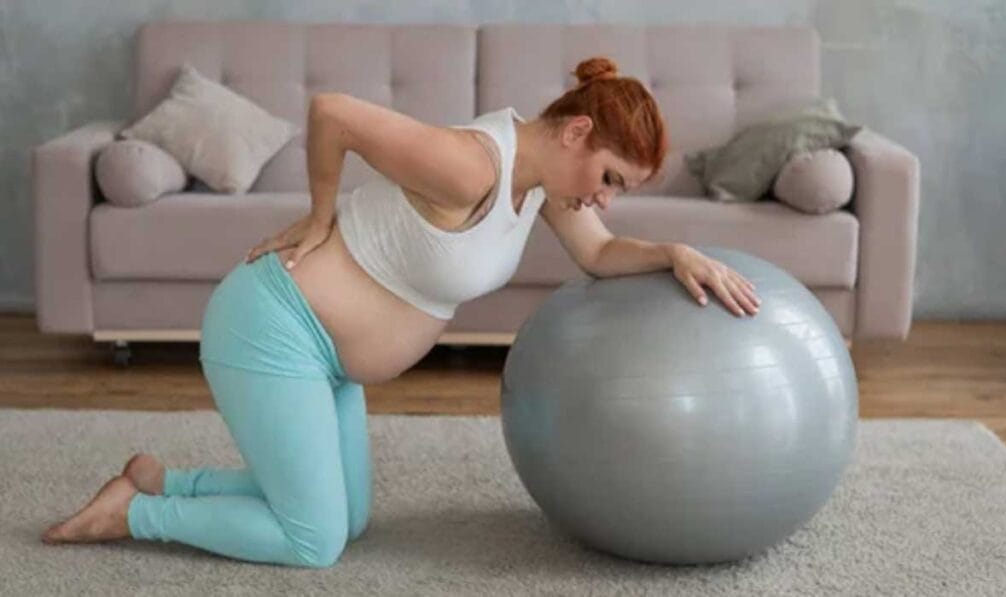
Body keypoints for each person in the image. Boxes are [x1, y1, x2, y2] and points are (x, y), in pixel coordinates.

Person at [40, 56, 761, 567]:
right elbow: (334, 115)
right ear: (576, 134)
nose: (604, 198)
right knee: (312, 542)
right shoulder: (474, 164)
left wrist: (675, 253)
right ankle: (133, 514)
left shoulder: (539, 187)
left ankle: (170, 481)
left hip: (329, 359)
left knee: (349, 520)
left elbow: (600, 254)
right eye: (610, 179)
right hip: (275, 327)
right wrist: (320, 214)